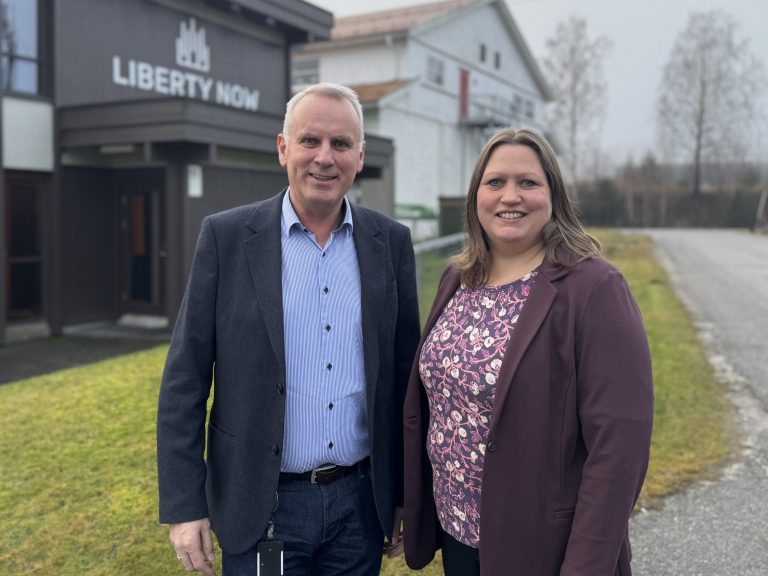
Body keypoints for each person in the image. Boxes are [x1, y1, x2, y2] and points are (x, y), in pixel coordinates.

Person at [157, 82, 420, 576]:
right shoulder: (226, 238)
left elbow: (406, 380)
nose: (325, 157)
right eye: (309, 141)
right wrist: (184, 504)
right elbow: (184, 380)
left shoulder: (391, 243)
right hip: (263, 505)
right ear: (283, 148)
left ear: (360, 156)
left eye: (341, 144)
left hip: (360, 505)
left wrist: (406, 491)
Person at [402, 128, 653, 576]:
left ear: (553, 195)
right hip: (458, 534)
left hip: (543, 549)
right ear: (475, 196)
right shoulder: (458, 277)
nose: (510, 196)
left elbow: (620, 449)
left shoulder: (594, 288)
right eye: (495, 182)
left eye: (528, 183)